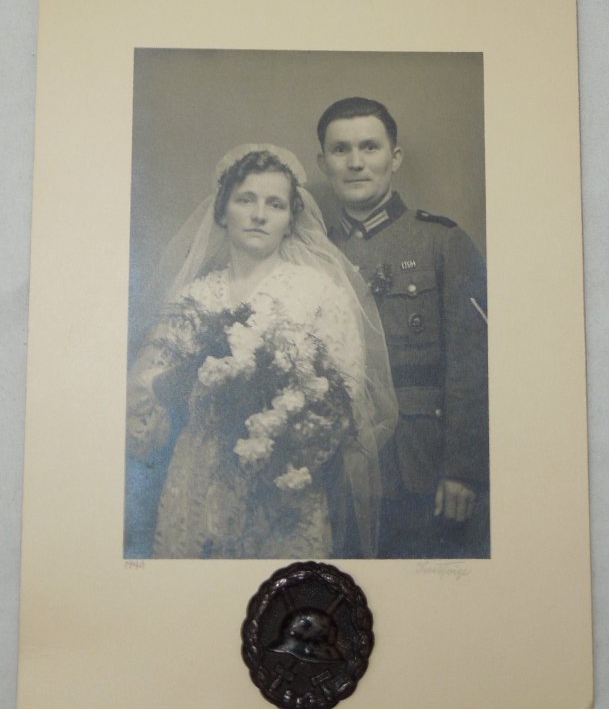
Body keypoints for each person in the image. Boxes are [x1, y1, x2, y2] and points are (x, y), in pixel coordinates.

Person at [126, 145, 397, 559]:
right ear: (222, 212)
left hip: (283, 484)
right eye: (245, 200)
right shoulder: (193, 296)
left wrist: (284, 441)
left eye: (275, 204)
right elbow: (147, 396)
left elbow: (344, 397)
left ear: (290, 221)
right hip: (198, 477)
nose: (259, 215)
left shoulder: (319, 293)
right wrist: (184, 383)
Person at [316, 97, 489, 559]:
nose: (355, 162)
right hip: (336, 469)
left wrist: (464, 469)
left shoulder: (441, 242)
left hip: (422, 467)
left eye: (369, 147)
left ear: (394, 158)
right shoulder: (314, 253)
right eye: (340, 150)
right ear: (323, 162)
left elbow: (473, 364)